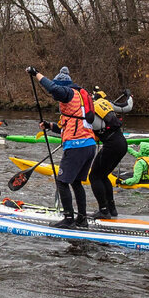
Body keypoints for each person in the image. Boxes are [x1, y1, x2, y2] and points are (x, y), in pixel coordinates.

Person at [27, 66, 97, 228]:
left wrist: (35, 73)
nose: (55, 97)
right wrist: (50, 126)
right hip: (89, 145)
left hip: (76, 145)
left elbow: (52, 87)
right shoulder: (79, 96)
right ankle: (81, 219)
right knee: (76, 182)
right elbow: (69, 126)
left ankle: (68, 219)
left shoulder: (67, 93)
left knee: (62, 181)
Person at [88, 87, 135, 219]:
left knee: (94, 176)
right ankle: (111, 210)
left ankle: (103, 211)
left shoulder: (90, 109)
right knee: (103, 176)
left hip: (112, 145)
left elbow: (88, 126)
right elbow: (127, 107)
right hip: (121, 143)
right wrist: (129, 95)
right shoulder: (107, 104)